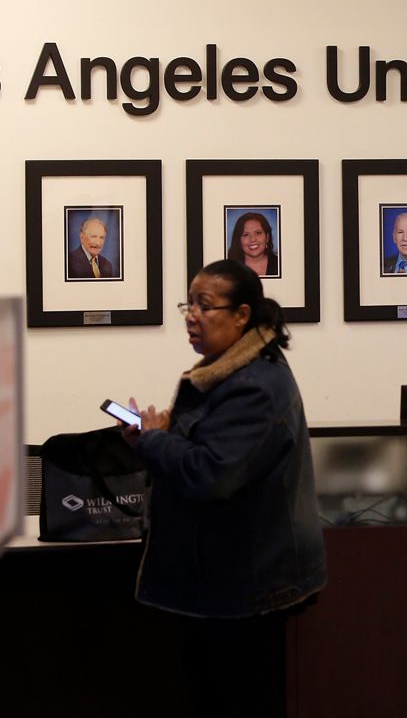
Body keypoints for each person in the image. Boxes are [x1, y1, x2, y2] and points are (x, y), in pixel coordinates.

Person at [124, 259, 326, 716]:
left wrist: (155, 439)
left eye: (205, 305)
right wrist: (155, 437)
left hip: (244, 589)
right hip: (220, 581)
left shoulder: (254, 386)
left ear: (242, 315)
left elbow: (210, 473)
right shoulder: (227, 373)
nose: (192, 315)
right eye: (188, 304)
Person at [227, 211, 280, 278]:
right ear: (238, 240)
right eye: (245, 235)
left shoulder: (280, 264)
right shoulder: (228, 267)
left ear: (267, 237)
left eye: (258, 233)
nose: (252, 239)